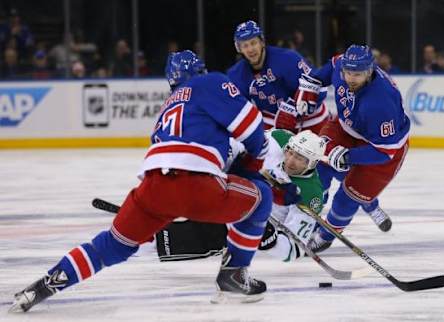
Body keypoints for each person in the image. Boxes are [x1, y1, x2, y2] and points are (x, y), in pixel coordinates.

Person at [10, 50, 274, 313]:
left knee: (111, 246)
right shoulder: (209, 82)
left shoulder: (167, 107)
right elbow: (252, 129)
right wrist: (256, 162)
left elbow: (181, 160)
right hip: (196, 185)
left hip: (152, 189)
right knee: (262, 198)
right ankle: (233, 276)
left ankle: (43, 286)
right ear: (200, 71)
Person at [156, 129, 326, 263]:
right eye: (290, 153)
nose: (290, 161)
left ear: (312, 163)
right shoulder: (278, 139)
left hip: (251, 222)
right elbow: (240, 146)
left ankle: (152, 239)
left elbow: (293, 251)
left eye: (300, 159)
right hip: (237, 191)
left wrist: (271, 239)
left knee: (193, 236)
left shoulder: (311, 194)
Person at [306, 45, 410, 253]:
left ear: (370, 71)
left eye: (358, 74)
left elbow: (384, 152)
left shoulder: (381, 103)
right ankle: (308, 218)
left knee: (349, 196)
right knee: (317, 163)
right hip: (346, 128)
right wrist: (311, 83)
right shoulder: (342, 67)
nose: (351, 78)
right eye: (348, 73)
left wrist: (348, 156)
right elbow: (330, 68)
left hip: (382, 149)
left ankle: (327, 235)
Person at [227, 20, 330, 134]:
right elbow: (237, 110)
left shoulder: (288, 59)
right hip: (273, 122)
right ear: (239, 49)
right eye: (245, 45)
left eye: (253, 43)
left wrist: (294, 108)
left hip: (311, 120)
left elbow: (318, 86)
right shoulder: (235, 75)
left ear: (262, 42)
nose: (250, 49)